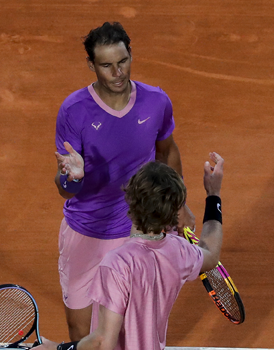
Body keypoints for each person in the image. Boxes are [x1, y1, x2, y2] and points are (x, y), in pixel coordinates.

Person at [54, 21, 195, 341]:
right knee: (79, 329)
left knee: (130, 331)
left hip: (137, 234)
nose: (117, 73)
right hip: (85, 232)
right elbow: (65, 191)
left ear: (131, 55)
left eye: (123, 62)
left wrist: (181, 206)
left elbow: (167, 152)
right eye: (106, 65)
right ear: (91, 65)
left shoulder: (156, 101)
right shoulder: (73, 111)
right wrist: (72, 176)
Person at [35, 152, 225, 350]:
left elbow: (103, 343)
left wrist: (58, 349)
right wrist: (214, 195)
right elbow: (210, 253)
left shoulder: (117, 264)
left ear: (130, 201)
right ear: (173, 211)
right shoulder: (178, 251)